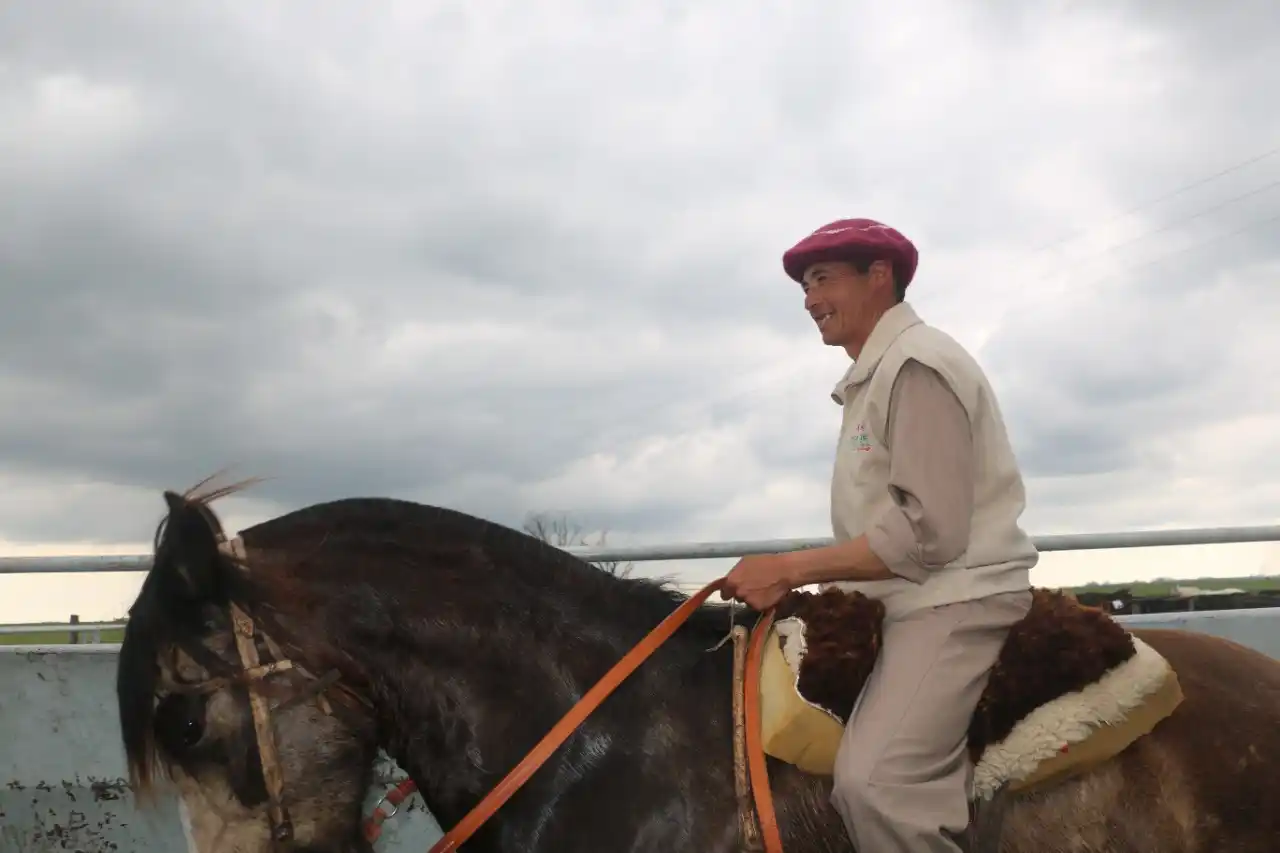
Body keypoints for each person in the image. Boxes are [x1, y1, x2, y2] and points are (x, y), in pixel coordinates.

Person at [721, 218, 1039, 852]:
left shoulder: (917, 365)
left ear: (879, 276)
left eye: (823, 278)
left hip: (952, 599)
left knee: (877, 786)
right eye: (804, 285)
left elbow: (931, 532)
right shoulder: (880, 372)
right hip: (910, 599)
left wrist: (788, 569)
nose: (809, 299)